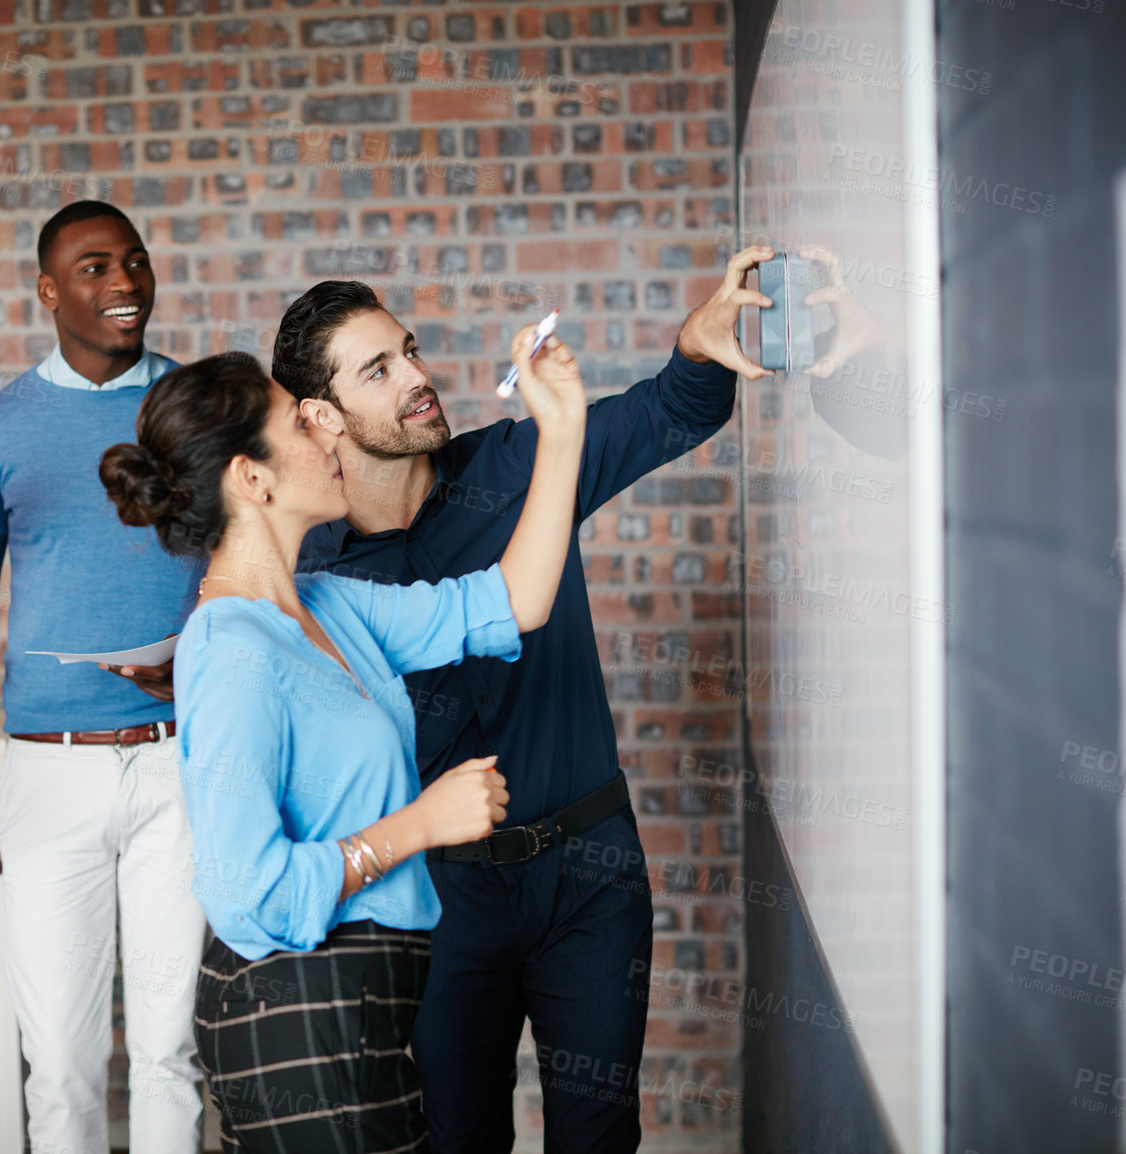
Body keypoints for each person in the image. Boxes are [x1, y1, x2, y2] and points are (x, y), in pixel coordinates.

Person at [270, 249, 775, 1154]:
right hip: (437, 900)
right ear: (320, 414)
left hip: (588, 875)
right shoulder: (311, 578)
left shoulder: (518, 463)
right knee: (455, 1137)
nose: (419, 379)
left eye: (411, 352)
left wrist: (696, 349)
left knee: (598, 1134)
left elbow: (677, 408)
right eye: (379, 371)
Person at [99, 331, 585, 1152]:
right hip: (295, 1010)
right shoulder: (229, 652)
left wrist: (563, 432)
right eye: (302, 425)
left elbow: (514, 600)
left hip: (371, 999)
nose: (331, 432)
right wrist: (421, 826)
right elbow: (247, 896)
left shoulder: (330, 607)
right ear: (251, 478)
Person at [0, 200, 205, 1154]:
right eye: (94, 268)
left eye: (134, 261)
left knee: (175, 1054)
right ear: (48, 291)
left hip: (187, 764)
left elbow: (266, 567)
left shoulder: (202, 411)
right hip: (47, 774)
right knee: (59, 1067)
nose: (124, 283)